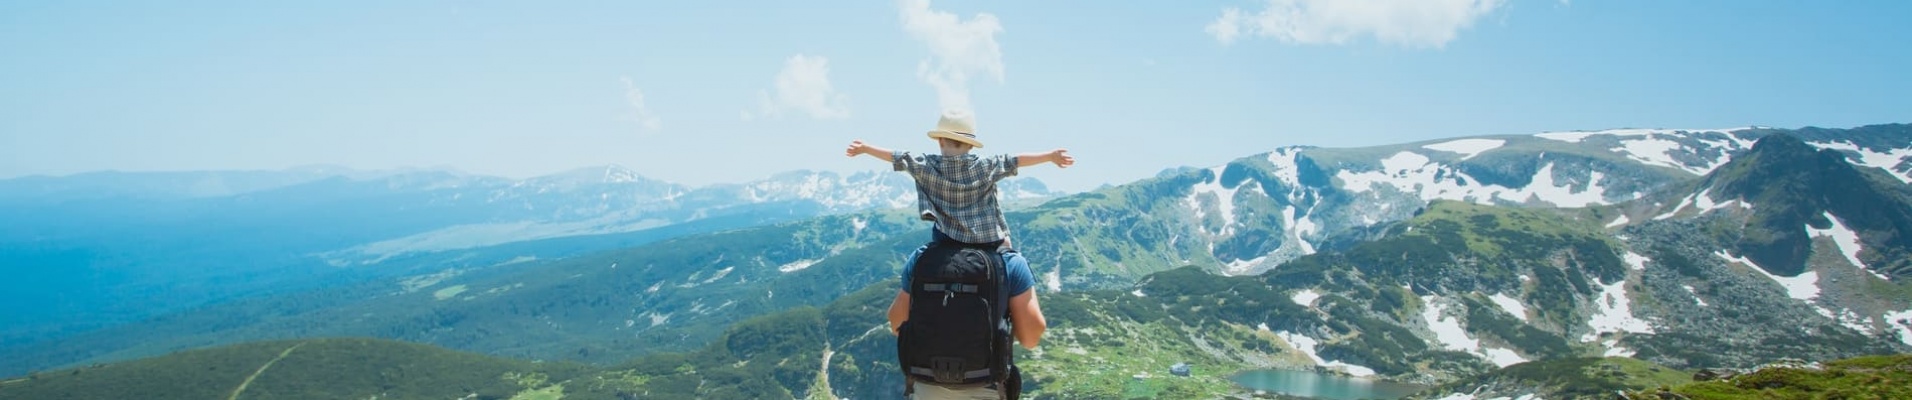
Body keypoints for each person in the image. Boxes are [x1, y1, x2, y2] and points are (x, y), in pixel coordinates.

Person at [844, 108, 1071, 399]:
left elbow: (895, 322)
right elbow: (1031, 337)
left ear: (940, 141)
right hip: (986, 388)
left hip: (928, 389)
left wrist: (865, 149)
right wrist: (1051, 156)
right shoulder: (1008, 263)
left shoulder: (922, 257)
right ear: (970, 145)